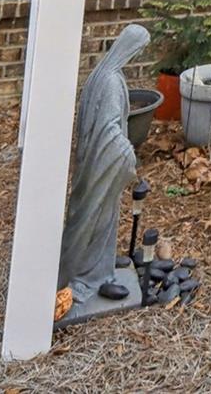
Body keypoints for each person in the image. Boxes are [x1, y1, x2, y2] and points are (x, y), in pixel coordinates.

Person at [58, 23, 149, 303]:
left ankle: (101, 267)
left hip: (95, 161)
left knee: (102, 215)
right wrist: (126, 154)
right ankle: (86, 276)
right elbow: (108, 129)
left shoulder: (102, 74)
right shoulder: (109, 82)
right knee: (94, 216)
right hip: (100, 165)